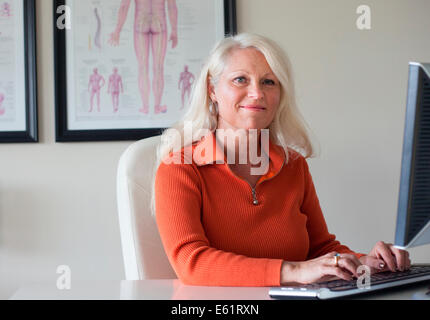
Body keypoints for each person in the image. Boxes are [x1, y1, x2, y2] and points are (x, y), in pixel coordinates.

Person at [153, 33, 411, 286]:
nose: (256, 93)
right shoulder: (180, 168)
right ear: (212, 90)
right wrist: (295, 271)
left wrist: (367, 262)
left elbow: (320, 248)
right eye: (241, 79)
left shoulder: (293, 165)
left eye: (269, 82)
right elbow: (191, 262)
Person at [109, 0, 178, 115]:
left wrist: (117, 30)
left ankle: (145, 107)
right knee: (158, 69)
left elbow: (124, 6)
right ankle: (157, 107)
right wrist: (174, 30)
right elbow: (171, 6)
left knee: (143, 68)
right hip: (159, 22)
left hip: (141, 22)